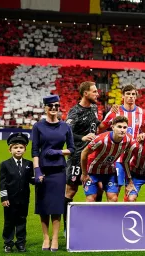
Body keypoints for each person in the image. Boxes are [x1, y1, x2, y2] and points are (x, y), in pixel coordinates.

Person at [32, 95, 75, 251]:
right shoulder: (38, 126)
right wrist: (37, 170)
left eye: (56, 106)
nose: (54, 108)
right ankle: (46, 238)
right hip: (43, 170)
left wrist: (58, 152)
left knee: (56, 206)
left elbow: (72, 149)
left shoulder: (65, 127)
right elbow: (35, 150)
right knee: (43, 206)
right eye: (50, 106)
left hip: (58, 171)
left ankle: (55, 238)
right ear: (45, 108)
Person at [99, 85, 145, 201]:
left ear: (136, 96)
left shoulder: (143, 113)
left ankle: (127, 218)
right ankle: (111, 218)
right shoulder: (115, 112)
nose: (131, 97)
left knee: (132, 196)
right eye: (128, 94)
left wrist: (144, 135)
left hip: (134, 159)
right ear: (123, 96)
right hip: (118, 159)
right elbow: (101, 128)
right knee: (114, 195)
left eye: (133, 94)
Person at [63, 81, 100, 235]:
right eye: (94, 91)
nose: (97, 94)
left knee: (98, 189)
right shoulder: (74, 112)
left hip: (94, 158)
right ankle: (67, 227)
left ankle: (95, 224)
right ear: (86, 93)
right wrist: (82, 137)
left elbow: (96, 127)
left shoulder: (94, 107)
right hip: (77, 157)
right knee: (70, 191)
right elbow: (66, 132)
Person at [81, 116, 134, 202]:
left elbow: (137, 148)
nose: (122, 130)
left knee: (113, 198)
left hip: (109, 172)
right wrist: (84, 173)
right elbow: (84, 153)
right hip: (92, 172)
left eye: (124, 127)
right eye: (119, 127)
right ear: (112, 127)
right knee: (91, 199)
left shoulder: (128, 140)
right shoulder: (101, 139)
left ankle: (110, 216)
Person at [0, 133, 33, 253]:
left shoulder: (29, 164)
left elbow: (30, 179)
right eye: (15, 147)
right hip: (10, 199)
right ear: (10, 150)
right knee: (9, 221)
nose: (18, 150)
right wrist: (4, 198)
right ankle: (8, 243)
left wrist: (38, 179)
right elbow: (2, 183)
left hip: (24, 199)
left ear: (25, 149)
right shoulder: (5, 164)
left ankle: (21, 243)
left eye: (21, 148)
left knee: (22, 220)